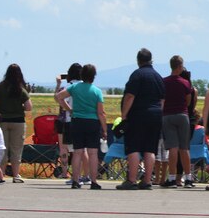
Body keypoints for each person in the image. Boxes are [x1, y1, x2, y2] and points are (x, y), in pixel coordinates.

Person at [117, 48, 165, 190]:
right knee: (150, 148)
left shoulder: (137, 75)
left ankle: (131, 180)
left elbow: (130, 96)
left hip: (138, 114)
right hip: (156, 115)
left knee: (133, 147)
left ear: (138, 60)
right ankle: (147, 180)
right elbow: (162, 100)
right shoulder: (158, 77)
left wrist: (124, 115)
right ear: (151, 60)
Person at [56, 64, 107, 190]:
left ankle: (75, 180)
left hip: (77, 121)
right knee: (93, 153)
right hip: (92, 122)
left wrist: (70, 110)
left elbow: (59, 97)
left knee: (77, 152)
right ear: (93, 76)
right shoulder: (97, 91)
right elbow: (101, 113)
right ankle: (93, 181)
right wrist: (105, 129)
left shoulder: (74, 87)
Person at [0, 64, 31, 183]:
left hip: (2, 121)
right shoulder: (21, 89)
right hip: (18, 121)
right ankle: (16, 175)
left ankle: (0, 175)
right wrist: (19, 106)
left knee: (2, 148)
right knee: (16, 149)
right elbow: (28, 107)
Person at [161, 55, 194, 188]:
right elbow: (188, 100)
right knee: (184, 148)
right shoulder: (185, 83)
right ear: (180, 66)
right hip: (182, 114)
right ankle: (188, 178)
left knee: (172, 148)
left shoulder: (164, 82)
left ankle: (172, 178)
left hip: (167, 115)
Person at [55, 63, 81, 181]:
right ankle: (78, 174)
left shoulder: (65, 88)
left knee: (63, 148)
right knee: (78, 149)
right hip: (75, 119)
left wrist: (58, 84)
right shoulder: (81, 87)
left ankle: (65, 172)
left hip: (63, 120)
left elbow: (57, 98)